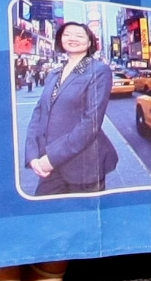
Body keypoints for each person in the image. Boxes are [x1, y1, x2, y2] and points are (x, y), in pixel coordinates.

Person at [22, 19, 118, 195]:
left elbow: (91, 122)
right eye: (67, 34)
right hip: (48, 165)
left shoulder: (98, 70)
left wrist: (52, 158)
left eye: (79, 35)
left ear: (90, 43)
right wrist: (32, 155)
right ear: (60, 40)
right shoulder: (53, 74)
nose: (72, 38)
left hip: (83, 166)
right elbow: (39, 113)